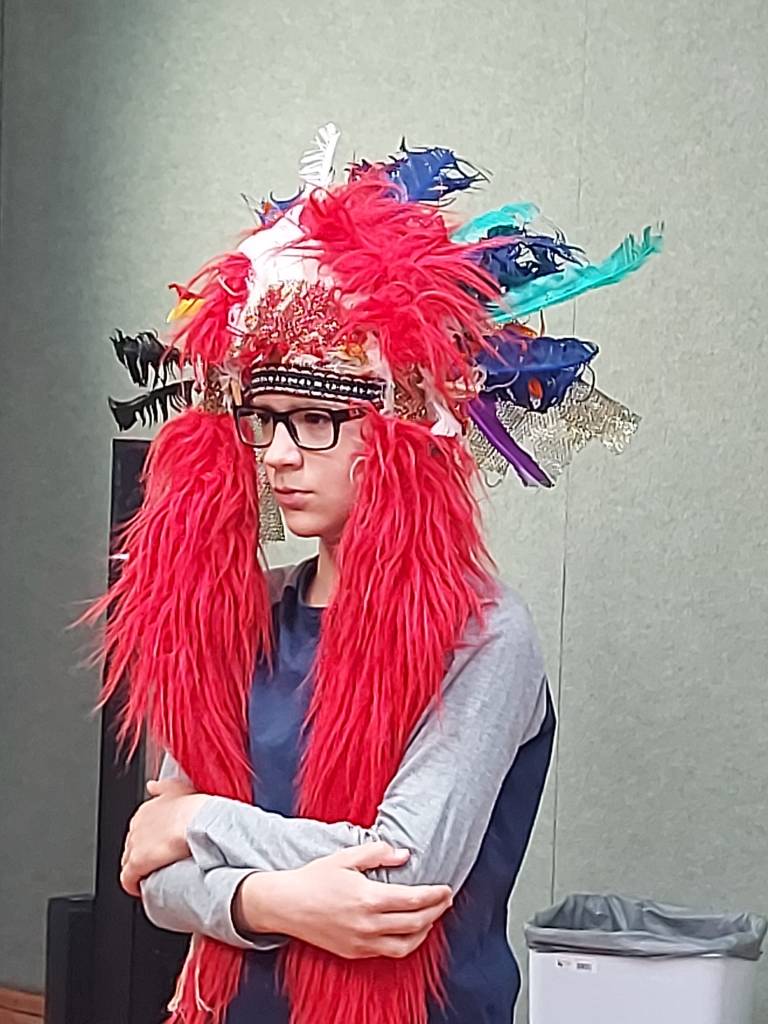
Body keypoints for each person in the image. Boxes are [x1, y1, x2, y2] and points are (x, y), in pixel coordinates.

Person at [81, 125, 661, 1024]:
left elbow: (400, 875)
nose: (279, 454)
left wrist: (196, 821)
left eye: (316, 419)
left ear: (398, 428)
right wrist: (273, 901)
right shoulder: (244, 613)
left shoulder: (483, 633)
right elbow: (155, 882)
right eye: (265, 418)